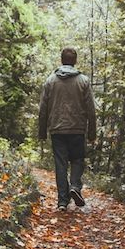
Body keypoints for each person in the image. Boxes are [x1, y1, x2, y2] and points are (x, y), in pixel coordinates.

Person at [38, 47, 96, 211]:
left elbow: (43, 109)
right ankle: (75, 187)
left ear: (62, 60)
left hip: (57, 129)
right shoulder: (83, 81)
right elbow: (91, 109)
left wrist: (42, 131)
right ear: (75, 61)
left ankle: (62, 201)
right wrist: (92, 133)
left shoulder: (50, 81)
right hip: (77, 129)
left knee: (60, 164)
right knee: (78, 160)